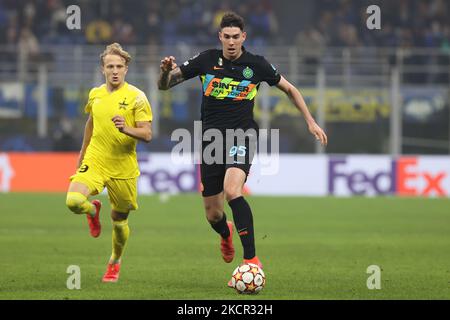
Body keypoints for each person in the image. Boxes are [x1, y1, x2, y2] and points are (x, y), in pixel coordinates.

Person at [158, 12, 327, 286]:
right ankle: (225, 234)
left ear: (244, 37)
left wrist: (310, 121)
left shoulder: (256, 65)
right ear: (220, 37)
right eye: (227, 37)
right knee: (213, 213)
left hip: (242, 136)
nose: (232, 42)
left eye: (236, 37)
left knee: (233, 190)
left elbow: (290, 89)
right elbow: (164, 87)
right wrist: (165, 72)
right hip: (211, 140)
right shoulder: (206, 60)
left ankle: (251, 261)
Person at [66, 43, 152, 282]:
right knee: (73, 201)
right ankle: (92, 209)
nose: (115, 71)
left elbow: (147, 134)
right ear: (103, 69)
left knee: (119, 222)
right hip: (96, 159)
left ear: (126, 69)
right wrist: (82, 154)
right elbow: (91, 124)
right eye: (110, 66)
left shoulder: (137, 97)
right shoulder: (95, 94)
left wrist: (126, 128)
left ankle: (115, 260)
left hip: (123, 166)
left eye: (119, 66)